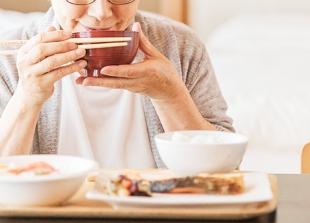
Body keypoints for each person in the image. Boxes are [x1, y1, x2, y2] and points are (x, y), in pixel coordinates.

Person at [0, 0, 234, 169]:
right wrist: (26, 99)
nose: (101, 12)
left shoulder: (181, 47)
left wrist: (171, 96)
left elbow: (228, 169)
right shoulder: (10, 56)